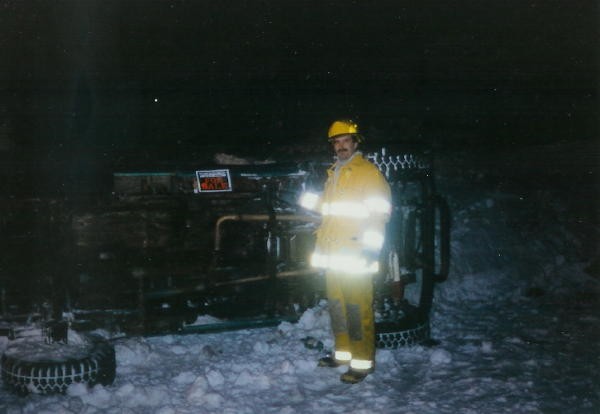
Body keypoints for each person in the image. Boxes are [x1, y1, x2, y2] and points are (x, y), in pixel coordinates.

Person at [299, 119, 391, 384]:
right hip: (333, 256)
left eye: (345, 141)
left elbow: (379, 214)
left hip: (356, 256)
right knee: (338, 307)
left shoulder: (368, 173)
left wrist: (372, 250)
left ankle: (362, 363)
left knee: (356, 308)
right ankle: (342, 353)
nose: (341, 146)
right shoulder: (335, 173)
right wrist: (306, 200)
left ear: (355, 142)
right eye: (336, 142)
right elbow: (331, 211)